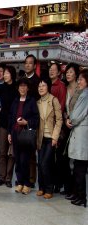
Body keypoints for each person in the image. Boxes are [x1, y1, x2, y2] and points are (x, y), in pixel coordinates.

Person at [8, 78, 39, 195]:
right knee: (17, 160)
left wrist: (27, 122)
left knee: (25, 160)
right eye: (20, 86)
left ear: (28, 88)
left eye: (24, 86)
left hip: (26, 135)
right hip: (15, 133)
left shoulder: (31, 101)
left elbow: (36, 118)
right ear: (18, 88)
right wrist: (10, 133)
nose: (22, 88)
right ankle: (20, 182)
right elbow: (11, 118)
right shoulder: (15, 101)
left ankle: (27, 184)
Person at [36, 77, 62, 199]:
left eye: (43, 85)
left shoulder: (53, 100)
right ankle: (41, 187)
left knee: (46, 163)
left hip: (51, 138)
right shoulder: (38, 102)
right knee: (40, 163)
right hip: (40, 138)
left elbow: (59, 119)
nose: (41, 88)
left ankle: (49, 188)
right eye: (39, 86)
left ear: (48, 87)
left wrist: (55, 137)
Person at [0, 65, 18, 188]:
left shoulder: (17, 87)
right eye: (4, 73)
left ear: (12, 74)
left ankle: (9, 178)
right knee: (2, 151)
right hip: (3, 122)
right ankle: (1, 177)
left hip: (14, 123)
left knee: (11, 153)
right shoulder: (2, 87)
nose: (5, 75)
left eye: (7, 73)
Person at [56, 63, 80, 196]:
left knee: (75, 159)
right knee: (63, 157)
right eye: (67, 72)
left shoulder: (80, 89)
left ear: (76, 73)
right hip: (66, 126)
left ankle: (76, 189)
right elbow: (63, 108)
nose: (68, 74)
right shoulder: (64, 88)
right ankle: (67, 186)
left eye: (71, 72)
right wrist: (65, 119)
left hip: (78, 126)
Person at [66, 70, 88, 208]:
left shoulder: (85, 95)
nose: (78, 82)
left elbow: (76, 115)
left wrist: (70, 120)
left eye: (81, 79)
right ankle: (77, 194)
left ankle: (82, 197)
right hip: (78, 132)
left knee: (80, 167)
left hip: (81, 133)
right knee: (77, 166)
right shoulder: (81, 93)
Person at [23, 54, 40, 187]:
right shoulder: (21, 80)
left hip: (32, 118)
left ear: (34, 66)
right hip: (20, 118)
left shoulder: (37, 82)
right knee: (21, 149)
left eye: (30, 63)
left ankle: (32, 178)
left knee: (31, 150)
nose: (27, 65)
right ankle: (23, 177)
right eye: (26, 63)